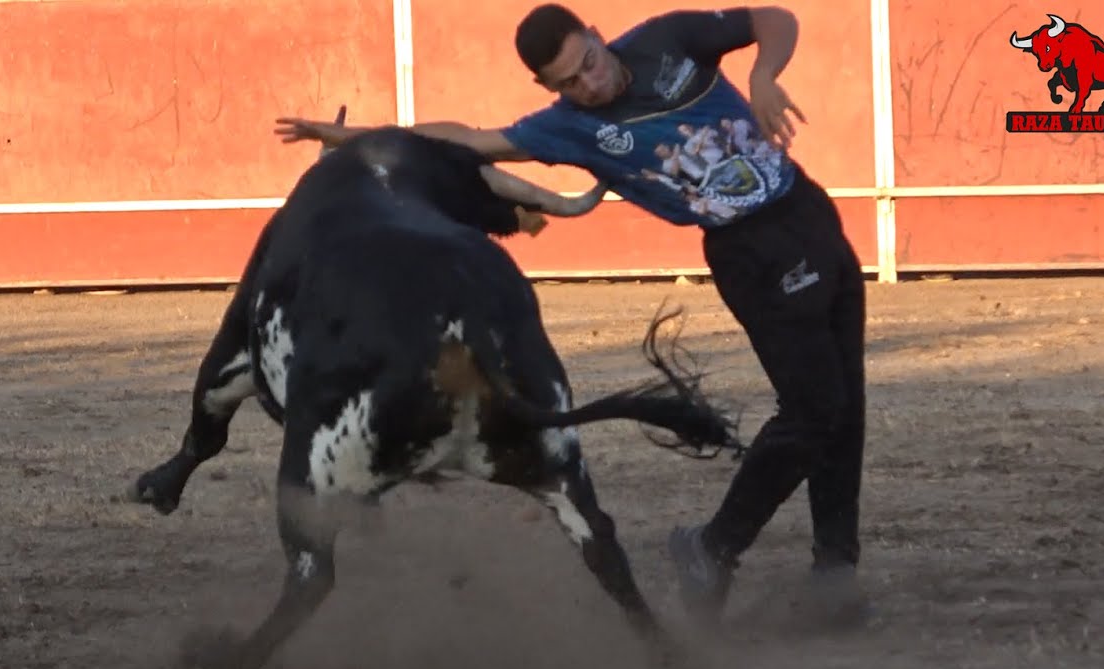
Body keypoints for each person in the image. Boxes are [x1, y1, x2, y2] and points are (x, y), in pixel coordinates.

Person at [273, 3, 868, 625]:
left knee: (844, 403)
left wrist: (764, 74)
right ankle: (713, 547)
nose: (589, 83)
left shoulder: (667, 40)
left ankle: (834, 569)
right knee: (814, 410)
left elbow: (771, 18)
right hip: (750, 251)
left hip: (806, 209)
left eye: (588, 62)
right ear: (548, 87)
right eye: (569, 82)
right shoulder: (566, 127)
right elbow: (466, 139)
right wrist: (351, 138)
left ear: (597, 37)